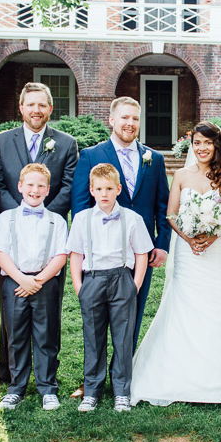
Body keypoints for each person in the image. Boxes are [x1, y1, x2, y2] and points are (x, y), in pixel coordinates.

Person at [131, 122, 221, 406]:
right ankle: (180, 373)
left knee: (219, 303)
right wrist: (189, 239)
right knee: (185, 304)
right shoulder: (181, 175)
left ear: (217, 146)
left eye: (207, 143)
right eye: (197, 143)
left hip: (219, 249)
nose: (202, 148)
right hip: (189, 252)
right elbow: (171, 214)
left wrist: (214, 235)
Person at [70, 96, 170, 398]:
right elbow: (79, 206)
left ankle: (122, 379)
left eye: (135, 119)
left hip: (141, 254)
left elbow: (162, 204)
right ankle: (93, 381)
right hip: (100, 258)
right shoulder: (90, 155)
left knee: (132, 316)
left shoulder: (154, 158)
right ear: (111, 120)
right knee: (96, 321)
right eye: (124, 118)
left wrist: (161, 244)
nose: (130, 124)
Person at [0, 82, 78, 385]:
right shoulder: (2, 141)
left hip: (49, 235)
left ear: (50, 109)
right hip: (12, 232)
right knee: (11, 304)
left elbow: (67, 185)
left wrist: (45, 214)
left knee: (47, 306)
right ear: (22, 107)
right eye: (31, 104)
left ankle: (45, 375)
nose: (36, 110)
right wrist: (19, 214)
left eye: (42, 105)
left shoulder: (65, 143)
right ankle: (8, 372)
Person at [67, 163, 153, 413]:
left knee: (123, 338)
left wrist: (135, 285)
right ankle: (92, 391)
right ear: (92, 190)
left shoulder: (132, 218)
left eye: (108, 189)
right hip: (92, 279)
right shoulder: (82, 219)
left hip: (122, 279)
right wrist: (79, 287)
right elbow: (75, 254)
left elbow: (141, 254)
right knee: (92, 337)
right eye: (98, 189)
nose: (104, 194)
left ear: (118, 189)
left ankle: (121, 392)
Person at [0, 163, 69, 411]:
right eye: (30, 185)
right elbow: (0, 252)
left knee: (46, 336)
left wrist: (38, 280)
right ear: (20, 187)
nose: (34, 190)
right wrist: (21, 279)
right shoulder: (5, 219)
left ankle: (48, 387)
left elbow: (60, 255)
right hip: (14, 283)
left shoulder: (57, 221)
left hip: (45, 282)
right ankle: (17, 387)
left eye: (40, 186)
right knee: (16, 336)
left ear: (48, 190)